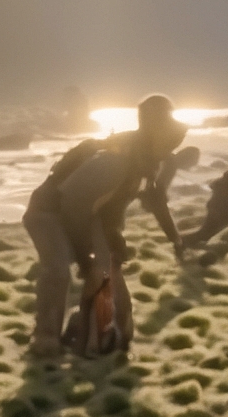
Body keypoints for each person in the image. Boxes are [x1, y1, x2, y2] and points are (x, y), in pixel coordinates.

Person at [23, 95, 190, 358]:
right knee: (58, 270)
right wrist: (84, 258)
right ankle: (45, 340)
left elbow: (156, 201)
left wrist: (176, 240)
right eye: (167, 140)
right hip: (48, 213)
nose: (170, 148)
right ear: (153, 132)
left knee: (108, 274)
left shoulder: (148, 161)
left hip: (93, 217)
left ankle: (97, 333)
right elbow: (73, 207)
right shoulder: (114, 161)